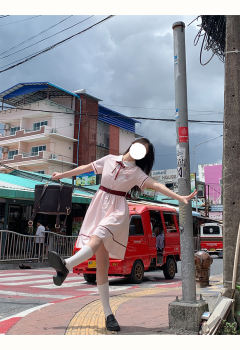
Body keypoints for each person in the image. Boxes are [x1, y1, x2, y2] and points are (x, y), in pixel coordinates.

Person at [48, 137, 197, 332]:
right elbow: (85, 167)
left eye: (143, 151)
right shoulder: (109, 159)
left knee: (98, 235)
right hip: (99, 204)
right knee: (102, 265)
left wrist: (179, 197)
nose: (138, 151)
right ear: (132, 145)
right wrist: (62, 175)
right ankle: (109, 314)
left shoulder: (136, 173)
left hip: (117, 210)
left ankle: (67, 264)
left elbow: (156, 185)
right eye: (138, 146)